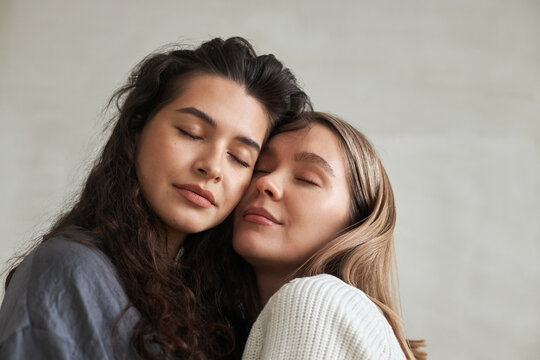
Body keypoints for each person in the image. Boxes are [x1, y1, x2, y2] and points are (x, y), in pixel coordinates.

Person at [0, 37, 310, 359]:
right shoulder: (70, 269)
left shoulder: (211, 309)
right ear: (138, 127)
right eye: (191, 132)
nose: (213, 167)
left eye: (241, 158)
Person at [231, 112, 427, 359]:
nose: (266, 182)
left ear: (357, 222)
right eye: (260, 168)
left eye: (306, 179)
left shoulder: (317, 300)